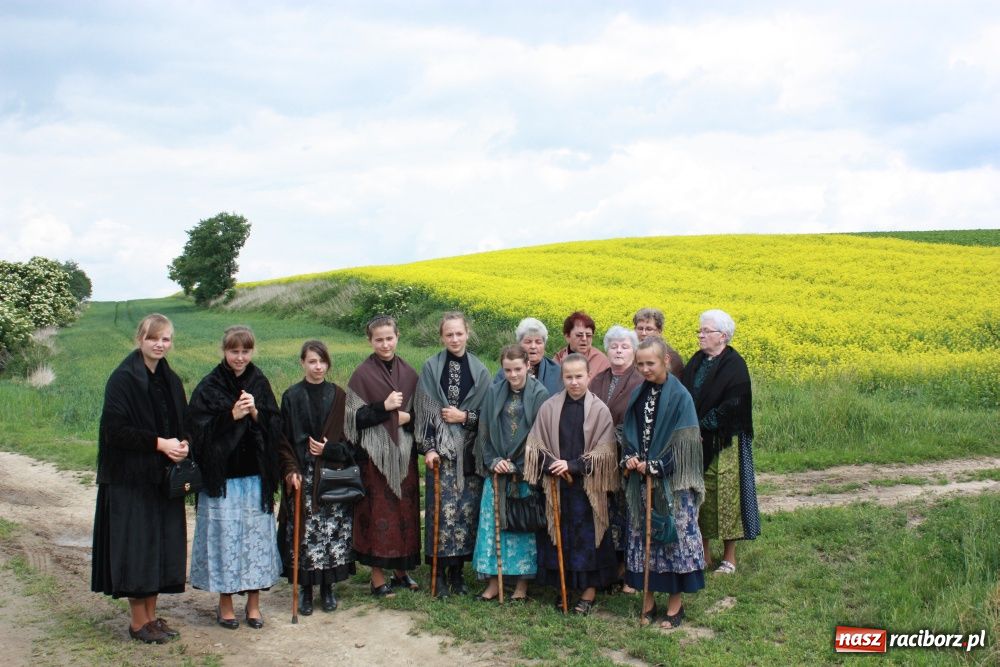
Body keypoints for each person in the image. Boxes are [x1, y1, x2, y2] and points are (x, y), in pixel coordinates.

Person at [91, 313, 189, 644]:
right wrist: (159, 443)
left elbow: (183, 422)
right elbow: (115, 431)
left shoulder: (170, 380)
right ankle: (137, 623)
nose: (160, 344)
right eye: (153, 338)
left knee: (159, 548)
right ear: (140, 339)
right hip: (129, 479)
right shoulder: (122, 379)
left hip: (162, 479)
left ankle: (151, 618)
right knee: (138, 549)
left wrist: (184, 444)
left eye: (166, 339)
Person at [188, 325, 283, 630]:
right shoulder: (209, 385)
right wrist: (231, 416)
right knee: (224, 541)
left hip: (255, 478)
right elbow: (196, 433)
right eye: (234, 351)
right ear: (224, 351)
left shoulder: (259, 382)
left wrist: (255, 413)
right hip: (222, 481)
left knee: (255, 541)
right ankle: (226, 604)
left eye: (245, 351)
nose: (240, 357)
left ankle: (253, 605)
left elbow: (276, 426)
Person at [524, 353, 619, 615]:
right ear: (562, 378)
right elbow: (535, 444)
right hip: (556, 485)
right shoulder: (550, 407)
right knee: (560, 538)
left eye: (579, 376)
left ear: (589, 376)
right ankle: (564, 587)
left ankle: (588, 591)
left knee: (588, 540)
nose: (574, 382)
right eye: (569, 377)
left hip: (587, 488)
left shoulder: (599, 410)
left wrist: (574, 465)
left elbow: (606, 451)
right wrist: (552, 464)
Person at [622, 336, 705, 629]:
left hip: (672, 484)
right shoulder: (638, 393)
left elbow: (686, 444)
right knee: (643, 539)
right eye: (640, 364)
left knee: (672, 541)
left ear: (666, 361)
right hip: (641, 481)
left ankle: (674, 606)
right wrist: (630, 458)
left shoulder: (681, 397)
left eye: (651, 363)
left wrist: (657, 466)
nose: (645, 369)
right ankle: (647, 603)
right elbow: (629, 432)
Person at [276, 340, 357, 615]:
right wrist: (291, 470)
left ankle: (328, 588)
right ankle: (306, 590)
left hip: (332, 477)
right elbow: (283, 440)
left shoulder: (339, 396)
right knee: (305, 535)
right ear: (303, 363)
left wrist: (328, 449)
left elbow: (350, 441)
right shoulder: (291, 396)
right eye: (312, 361)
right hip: (303, 476)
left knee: (332, 534)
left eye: (322, 361)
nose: (318, 367)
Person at [343, 316, 422, 598]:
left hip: (404, 455)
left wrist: (409, 418)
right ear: (370, 341)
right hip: (373, 459)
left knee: (405, 513)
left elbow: (421, 415)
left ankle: (401, 571)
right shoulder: (362, 375)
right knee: (377, 515)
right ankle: (377, 578)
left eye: (389, 338)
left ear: (397, 336)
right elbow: (352, 420)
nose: (385, 344)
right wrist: (383, 407)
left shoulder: (409, 373)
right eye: (379, 340)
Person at [415, 312, 491, 597]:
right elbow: (424, 410)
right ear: (442, 337)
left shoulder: (480, 371)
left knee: (465, 514)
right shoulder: (431, 368)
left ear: (467, 333)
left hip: (469, 454)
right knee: (440, 514)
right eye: (449, 334)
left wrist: (464, 417)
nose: (455, 339)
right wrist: (429, 448)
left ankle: (458, 573)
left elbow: (487, 416)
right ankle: (439, 574)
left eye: (459, 333)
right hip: (441, 454)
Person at [681, 309, 760, 575]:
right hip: (696, 440)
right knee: (699, 493)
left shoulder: (734, 364)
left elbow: (734, 404)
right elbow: (684, 396)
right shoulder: (696, 361)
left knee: (727, 495)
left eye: (706, 331)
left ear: (723, 336)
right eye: (700, 330)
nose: (700, 335)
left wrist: (703, 425)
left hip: (725, 441)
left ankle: (729, 557)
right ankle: (703, 553)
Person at [472, 345, 550, 601]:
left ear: (528, 365)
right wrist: (493, 460)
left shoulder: (540, 395)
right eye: (507, 370)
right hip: (497, 472)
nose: (513, 375)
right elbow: (484, 431)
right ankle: (494, 583)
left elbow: (541, 435)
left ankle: (521, 586)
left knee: (522, 529)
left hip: (525, 474)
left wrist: (520, 464)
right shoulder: (494, 392)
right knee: (493, 527)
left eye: (518, 369)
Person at [588, 325, 644, 591]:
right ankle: (609, 568)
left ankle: (629, 571)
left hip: (628, 458)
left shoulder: (640, 381)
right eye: (614, 346)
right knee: (606, 513)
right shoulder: (598, 379)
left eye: (624, 346)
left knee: (628, 514)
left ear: (634, 351)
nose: (619, 351)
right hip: (599, 459)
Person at [492, 317, 563, 395]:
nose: (533, 346)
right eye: (528, 342)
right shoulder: (507, 370)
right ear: (519, 344)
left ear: (544, 345)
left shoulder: (557, 372)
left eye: (538, 342)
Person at [552, 311, 611, 379]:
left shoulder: (601, 362)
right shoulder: (558, 360)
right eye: (579, 335)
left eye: (588, 335)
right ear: (567, 337)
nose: (584, 339)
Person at [633, 308, 685, 378]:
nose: (643, 333)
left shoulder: (672, 358)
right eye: (640, 328)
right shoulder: (630, 352)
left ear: (659, 331)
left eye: (649, 329)